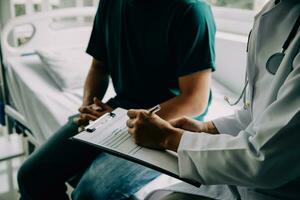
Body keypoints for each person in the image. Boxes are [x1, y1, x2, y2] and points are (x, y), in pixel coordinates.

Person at [17, 0, 216, 199]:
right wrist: (87, 107)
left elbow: (195, 100)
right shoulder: (110, 4)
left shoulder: (191, 10)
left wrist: (121, 121)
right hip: (119, 110)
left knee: (90, 194)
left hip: (167, 122)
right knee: (31, 176)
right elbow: (99, 68)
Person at [126, 0, 300, 199]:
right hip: (246, 180)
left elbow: (265, 160)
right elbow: (258, 114)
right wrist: (207, 129)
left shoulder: (191, 10)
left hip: (281, 187)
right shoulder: (274, 10)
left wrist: (168, 137)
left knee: (93, 190)